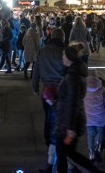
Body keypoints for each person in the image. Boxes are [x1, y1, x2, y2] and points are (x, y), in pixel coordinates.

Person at [55, 43, 105, 173]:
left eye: (63, 55)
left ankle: (95, 171)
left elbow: (73, 101)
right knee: (68, 153)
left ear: (69, 58)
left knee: (63, 153)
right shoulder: (74, 72)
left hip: (68, 122)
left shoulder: (72, 75)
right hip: (68, 120)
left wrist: (70, 127)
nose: (62, 57)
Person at [32, 28, 66, 173]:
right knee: (60, 119)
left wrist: (35, 86)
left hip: (47, 90)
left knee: (48, 117)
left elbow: (36, 70)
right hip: (62, 89)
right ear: (62, 39)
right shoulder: (65, 52)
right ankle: (56, 145)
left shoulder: (43, 51)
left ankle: (49, 143)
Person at [84, 69, 105, 163]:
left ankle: (91, 154)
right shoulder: (102, 89)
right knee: (100, 133)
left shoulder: (83, 89)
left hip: (89, 119)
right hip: (100, 118)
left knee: (90, 135)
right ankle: (98, 149)